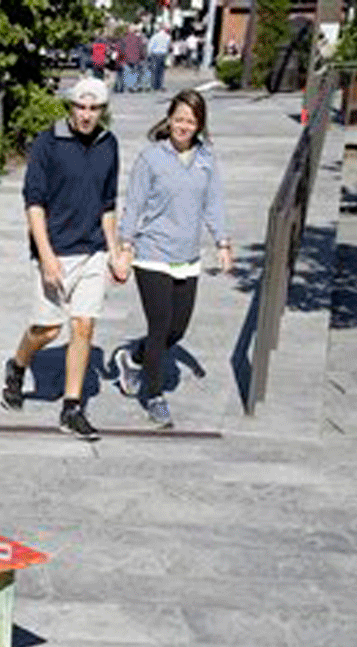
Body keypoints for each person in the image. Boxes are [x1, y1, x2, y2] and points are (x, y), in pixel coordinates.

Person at [1, 76, 129, 441]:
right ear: (70, 106)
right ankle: (18, 364)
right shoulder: (48, 142)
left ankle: (72, 408)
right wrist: (46, 256)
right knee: (48, 329)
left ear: (103, 111)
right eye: (81, 107)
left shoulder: (109, 144)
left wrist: (115, 252)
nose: (86, 115)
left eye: (94, 109)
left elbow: (108, 205)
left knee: (84, 326)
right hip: (54, 249)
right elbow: (34, 203)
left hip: (92, 251)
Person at [111, 90, 233, 429]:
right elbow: (133, 205)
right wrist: (124, 247)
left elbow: (214, 203)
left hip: (187, 255)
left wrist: (222, 242)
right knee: (160, 324)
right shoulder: (151, 158)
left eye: (191, 121)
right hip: (151, 254)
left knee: (177, 330)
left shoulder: (207, 159)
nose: (183, 126)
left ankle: (132, 356)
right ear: (169, 119)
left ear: (199, 125)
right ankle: (154, 395)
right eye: (179, 119)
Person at [148, 25, 171, 91]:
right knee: (161, 71)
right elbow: (168, 47)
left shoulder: (154, 37)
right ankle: (161, 85)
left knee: (154, 71)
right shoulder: (168, 37)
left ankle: (154, 85)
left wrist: (149, 54)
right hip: (163, 55)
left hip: (155, 55)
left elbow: (150, 46)